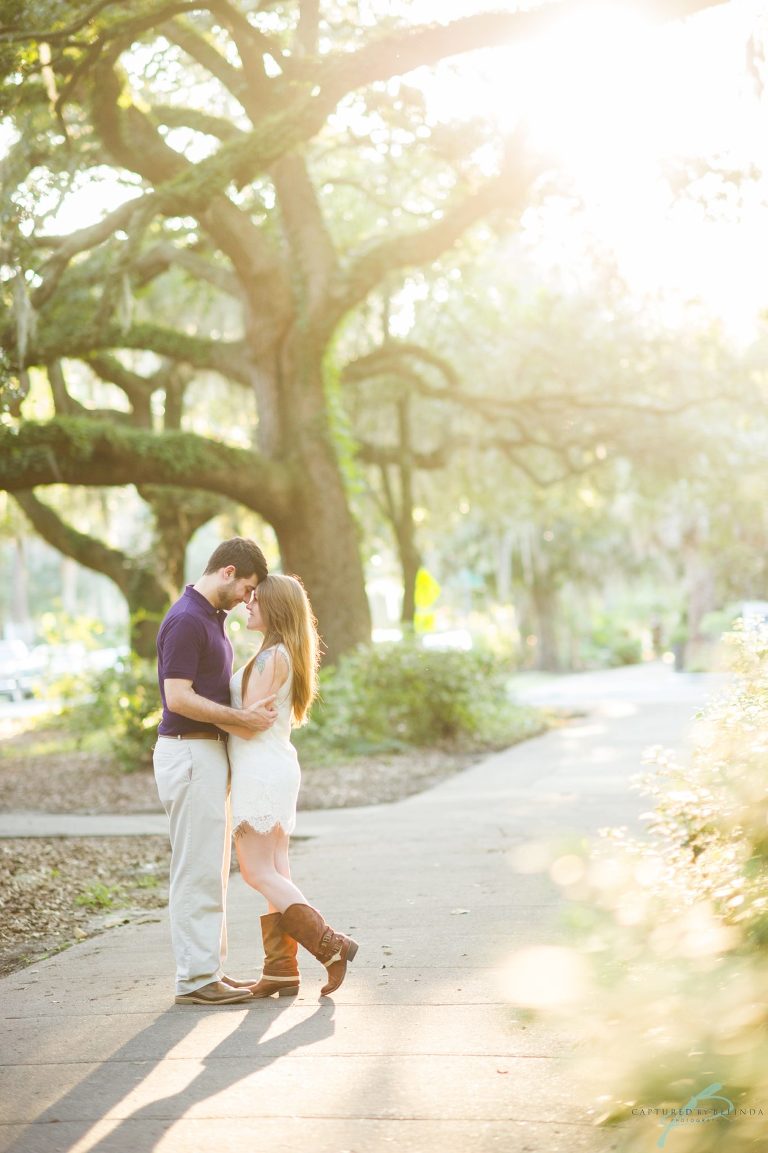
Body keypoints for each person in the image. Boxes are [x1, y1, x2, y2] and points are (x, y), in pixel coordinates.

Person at [153, 537, 278, 1006]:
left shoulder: (210, 618)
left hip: (205, 754)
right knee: (195, 869)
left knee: (208, 867)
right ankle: (196, 978)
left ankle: (208, 971)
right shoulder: (187, 619)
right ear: (227, 571)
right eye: (247, 588)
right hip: (188, 753)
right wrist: (241, 720)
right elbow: (178, 698)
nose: (249, 599)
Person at [221, 573, 358, 998]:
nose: (248, 603)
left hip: (260, 767)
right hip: (273, 764)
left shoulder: (269, 659)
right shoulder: (281, 654)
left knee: (256, 871)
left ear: (276, 608)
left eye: (256, 599)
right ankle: (281, 969)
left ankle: (330, 946)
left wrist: (203, 711)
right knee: (276, 869)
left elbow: (246, 725)